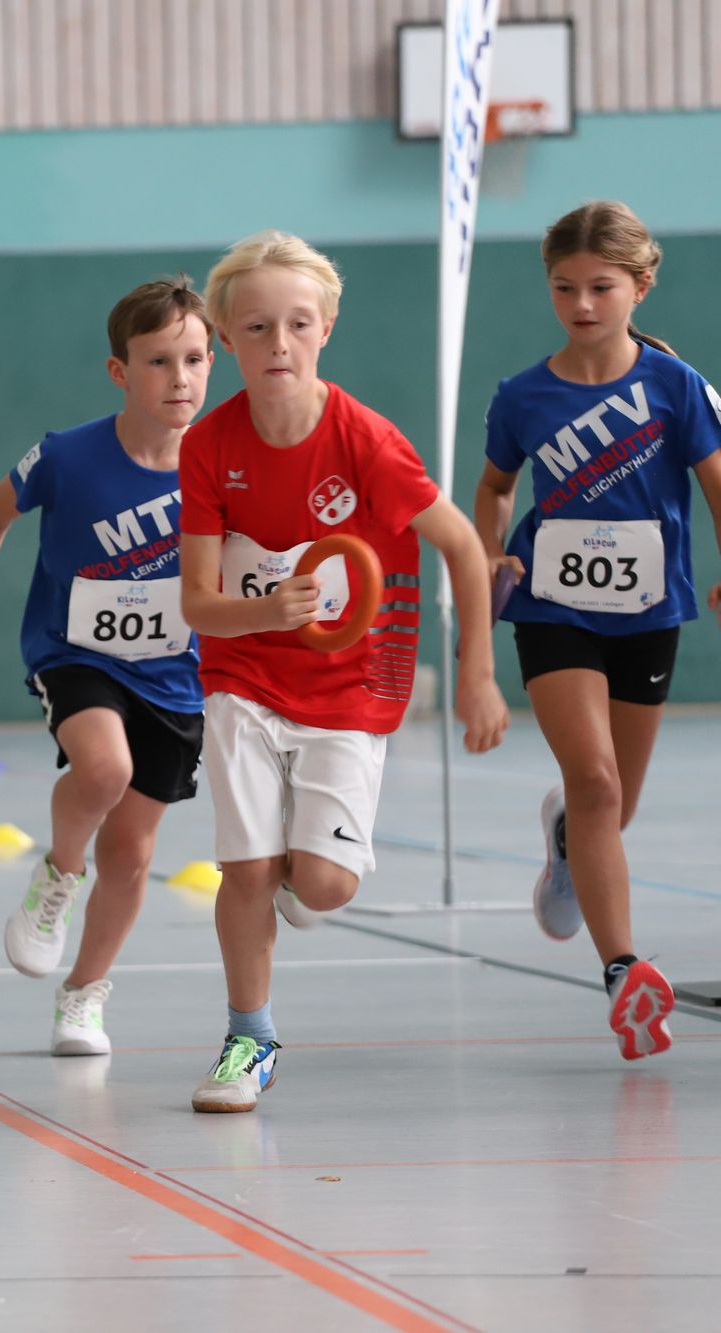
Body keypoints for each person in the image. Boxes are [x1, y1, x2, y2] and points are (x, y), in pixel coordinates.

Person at [177, 231, 508, 1113]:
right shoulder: (208, 445)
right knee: (246, 869)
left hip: (352, 684)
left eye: (297, 324)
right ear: (226, 337)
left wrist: (476, 673)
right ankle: (249, 1038)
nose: (278, 343)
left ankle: (304, 863)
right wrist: (267, 611)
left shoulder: (366, 441)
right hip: (243, 675)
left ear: (326, 328)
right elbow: (200, 604)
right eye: (256, 327)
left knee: (322, 885)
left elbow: (463, 548)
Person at [0, 277, 213, 1056]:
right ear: (120, 370)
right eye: (159, 361)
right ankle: (58, 873)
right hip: (77, 653)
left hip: (175, 673)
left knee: (132, 852)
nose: (180, 378)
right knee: (103, 768)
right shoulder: (66, 455)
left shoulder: (222, 465)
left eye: (195, 359)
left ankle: (83, 993)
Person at [473, 200, 721, 1060]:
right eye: (564, 287)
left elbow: (717, 482)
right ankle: (623, 970)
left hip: (650, 611)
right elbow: (495, 486)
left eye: (601, 287)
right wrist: (492, 553)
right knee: (598, 782)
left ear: (640, 286)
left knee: (615, 805)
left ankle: (566, 841)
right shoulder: (523, 396)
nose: (581, 304)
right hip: (554, 606)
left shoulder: (676, 387)